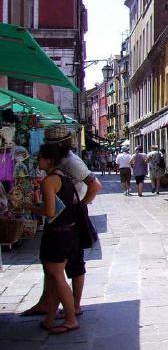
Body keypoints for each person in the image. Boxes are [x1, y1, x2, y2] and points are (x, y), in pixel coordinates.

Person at [21, 125, 102, 320]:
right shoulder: (61, 162)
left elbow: (95, 185)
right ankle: (48, 304)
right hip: (61, 216)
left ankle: (73, 307)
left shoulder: (71, 162)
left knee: (72, 265)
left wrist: (80, 206)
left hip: (68, 218)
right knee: (52, 264)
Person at [25, 143, 80, 334]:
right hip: (69, 232)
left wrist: (29, 206)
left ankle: (71, 319)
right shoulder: (64, 177)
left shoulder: (49, 181)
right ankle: (50, 318)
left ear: (48, 160)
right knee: (56, 277)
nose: (37, 161)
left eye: (39, 157)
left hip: (57, 234)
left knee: (56, 276)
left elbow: (49, 212)